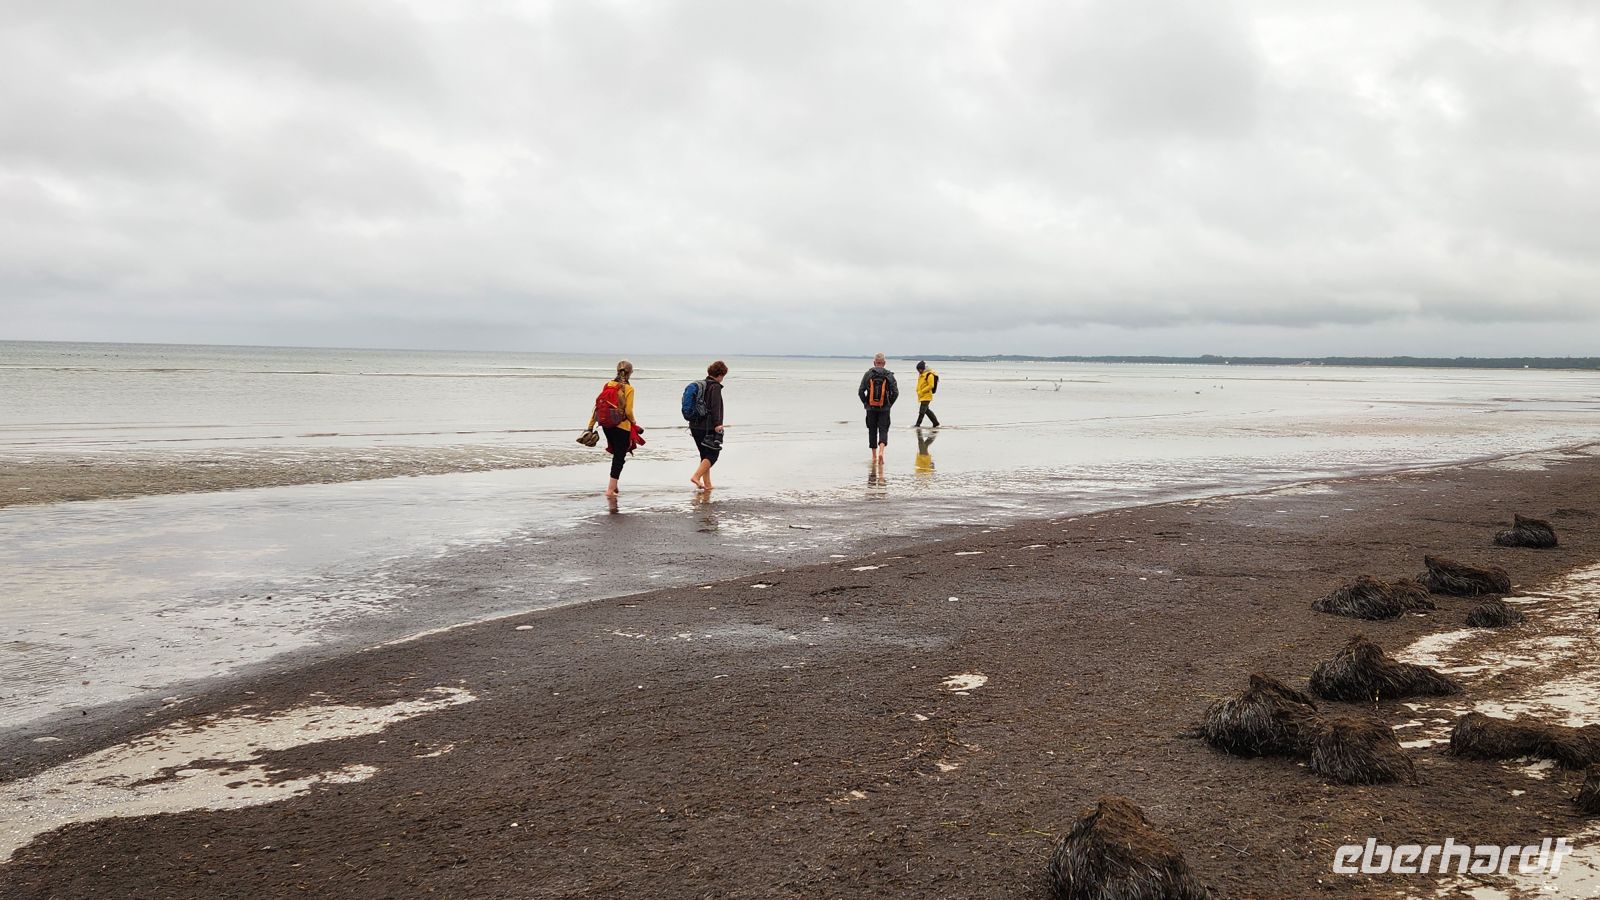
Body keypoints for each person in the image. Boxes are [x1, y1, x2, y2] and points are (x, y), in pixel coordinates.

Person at [587, 360, 639, 498]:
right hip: (622, 427)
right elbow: (628, 411)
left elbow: (598, 405)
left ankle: (614, 486)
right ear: (630, 373)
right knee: (619, 457)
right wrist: (634, 421)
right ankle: (610, 490)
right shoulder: (629, 389)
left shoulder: (608, 384)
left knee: (617, 454)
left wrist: (591, 425)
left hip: (607, 425)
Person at [689, 360, 727, 491]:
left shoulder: (702, 385)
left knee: (704, 454)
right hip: (707, 426)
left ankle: (708, 484)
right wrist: (718, 424)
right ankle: (696, 476)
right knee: (713, 454)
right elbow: (715, 407)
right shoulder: (715, 387)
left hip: (694, 425)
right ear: (720, 374)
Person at [858, 352, 898, 464]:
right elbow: (896, 392)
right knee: (883, 429)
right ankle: (881, 452)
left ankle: (874, 456)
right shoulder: (889, 375)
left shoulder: (868, 374)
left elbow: (860, 391)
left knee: (872, 430)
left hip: (870, 408)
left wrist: (866, 403)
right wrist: (889, 404)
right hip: (884, 408)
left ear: (874, 362)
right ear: (884, 363)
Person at [914, 360, 941, 428]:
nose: (918, 371)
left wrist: (922, 391)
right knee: (926, 411)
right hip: (922, 395)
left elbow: (931, 385)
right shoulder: (922, 375)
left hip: (927, 395)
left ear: (923, 368)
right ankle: (936, 423)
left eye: (919, 369)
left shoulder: (930, 375)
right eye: (918, 369)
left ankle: (917, 425)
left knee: (922, 411)